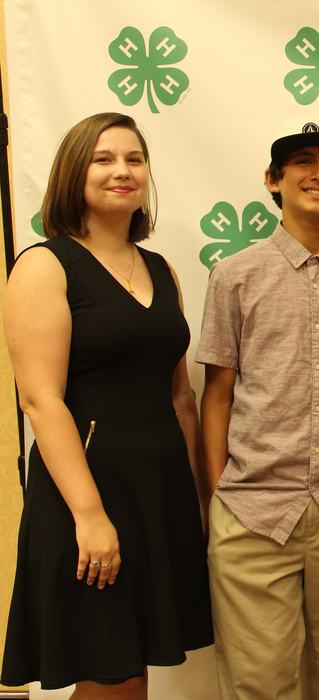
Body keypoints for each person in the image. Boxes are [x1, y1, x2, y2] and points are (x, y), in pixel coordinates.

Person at [0, 112, 212, 696]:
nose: (122, 171)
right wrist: (90, 517)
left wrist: (195, 495)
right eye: (104, 159)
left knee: (131, 672)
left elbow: (179, 395)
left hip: (158, 492)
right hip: (87, 496)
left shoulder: (161, 268)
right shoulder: (45, 264)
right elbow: (40, 401)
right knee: (107, 674)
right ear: (74, 173)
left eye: (134, 159)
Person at [197, 119, 319, 700]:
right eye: (303, 162)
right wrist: (216, 496)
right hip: (252, 512)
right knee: (258, 686)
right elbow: (218, 395)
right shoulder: (234, 276)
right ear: (273, 181)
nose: (318, 174)